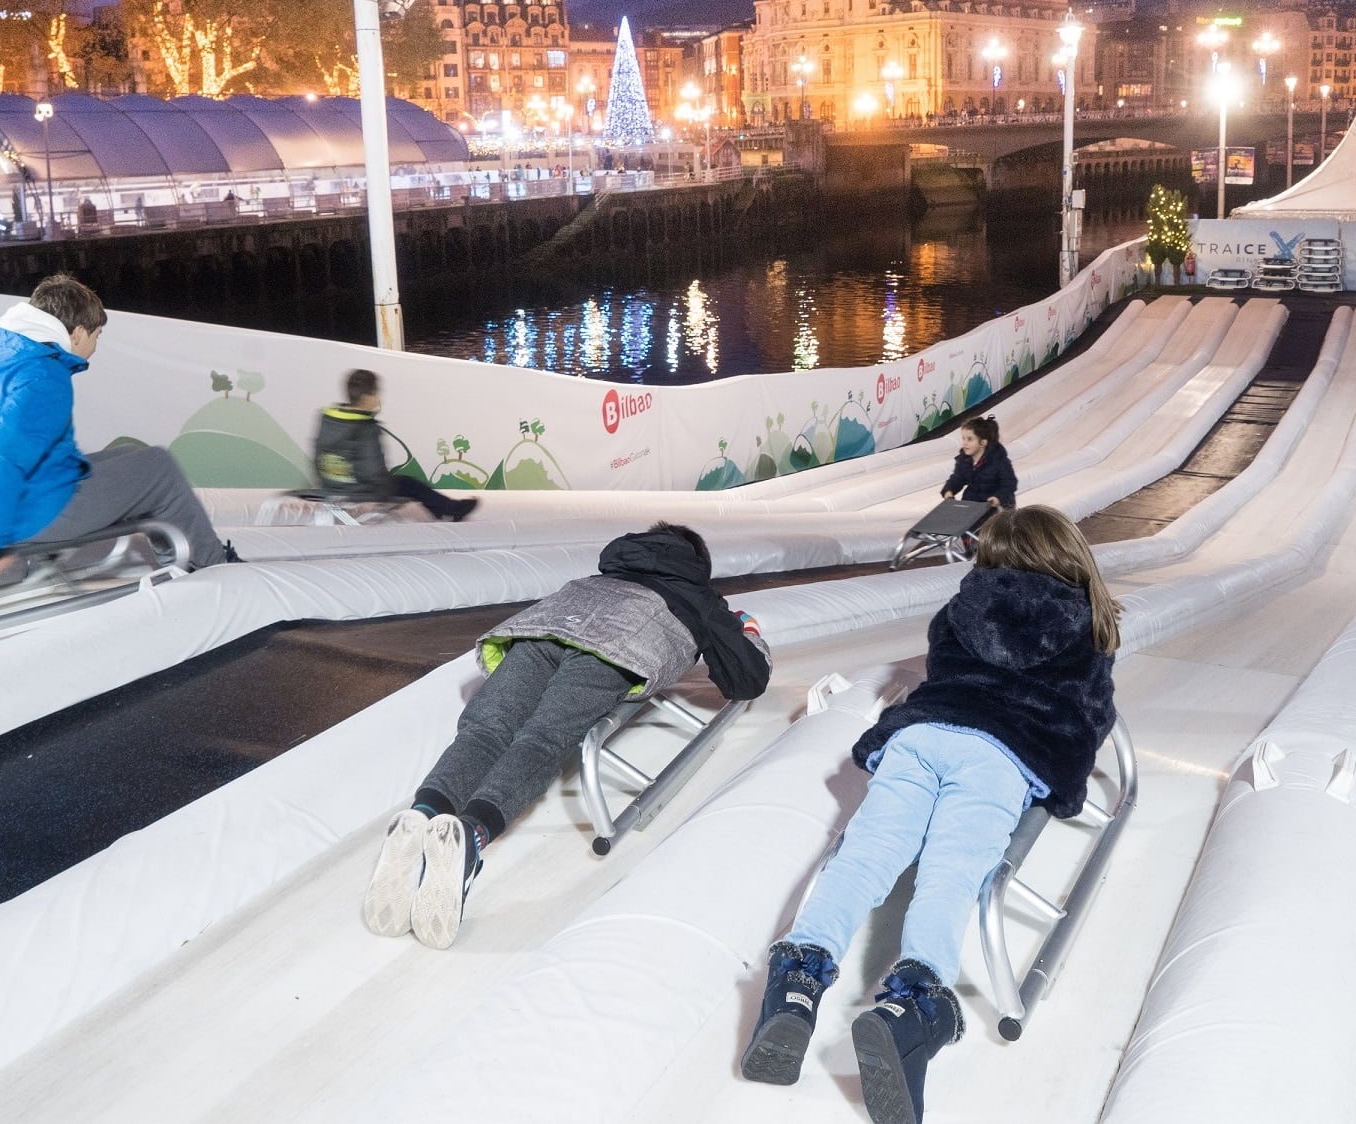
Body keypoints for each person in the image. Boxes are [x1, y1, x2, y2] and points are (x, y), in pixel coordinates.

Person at [739, 506, 1119, 1124]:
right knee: (950, 875)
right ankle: (911, 1004)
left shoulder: (963, 605)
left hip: (919, 738)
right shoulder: (1085, 622)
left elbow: (942, 669)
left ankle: (798, 978)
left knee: (863, 859)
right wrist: (1064, 781)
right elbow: (1089, 717)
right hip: (998, 756)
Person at [361, 522, 770, 947]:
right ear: (697, 563)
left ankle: (424, 813)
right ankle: (472, 835)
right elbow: (747, 679)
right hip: (614, 648)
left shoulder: (602, 574)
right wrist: (748, 630)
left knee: (485, 727)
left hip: (541, 631)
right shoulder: (697, 596)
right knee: (542, 739)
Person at [0, 274, 233, 570]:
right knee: (160, 467)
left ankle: (185, 553)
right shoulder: (43, 375)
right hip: (24, 516)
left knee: (130, 455)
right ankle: (207, 564)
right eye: (97, 336)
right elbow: (2, 460)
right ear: (78, 333)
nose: (95, 348)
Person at [313, 368, 477, 522]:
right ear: (367, 398)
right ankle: (452, 509)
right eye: (376, 393)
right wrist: (387, 490)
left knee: (401, 482)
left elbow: (318, 457)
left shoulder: (328, 420)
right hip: (360, 491)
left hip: (331, 487)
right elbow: (374, 471)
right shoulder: (367, 427)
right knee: (408, 483)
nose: (378, 398)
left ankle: (445, 508)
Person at [940, 415, 1017, 510]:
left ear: (983, 443)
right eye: (963, 438)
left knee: (993, 517)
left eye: (969, 439)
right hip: (974, 500)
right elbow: (957, 478)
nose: (964, 443)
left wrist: (998, 498)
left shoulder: (998, 460)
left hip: (996, 502)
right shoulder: (964, 460)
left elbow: (1009, 483)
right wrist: (949, 490)